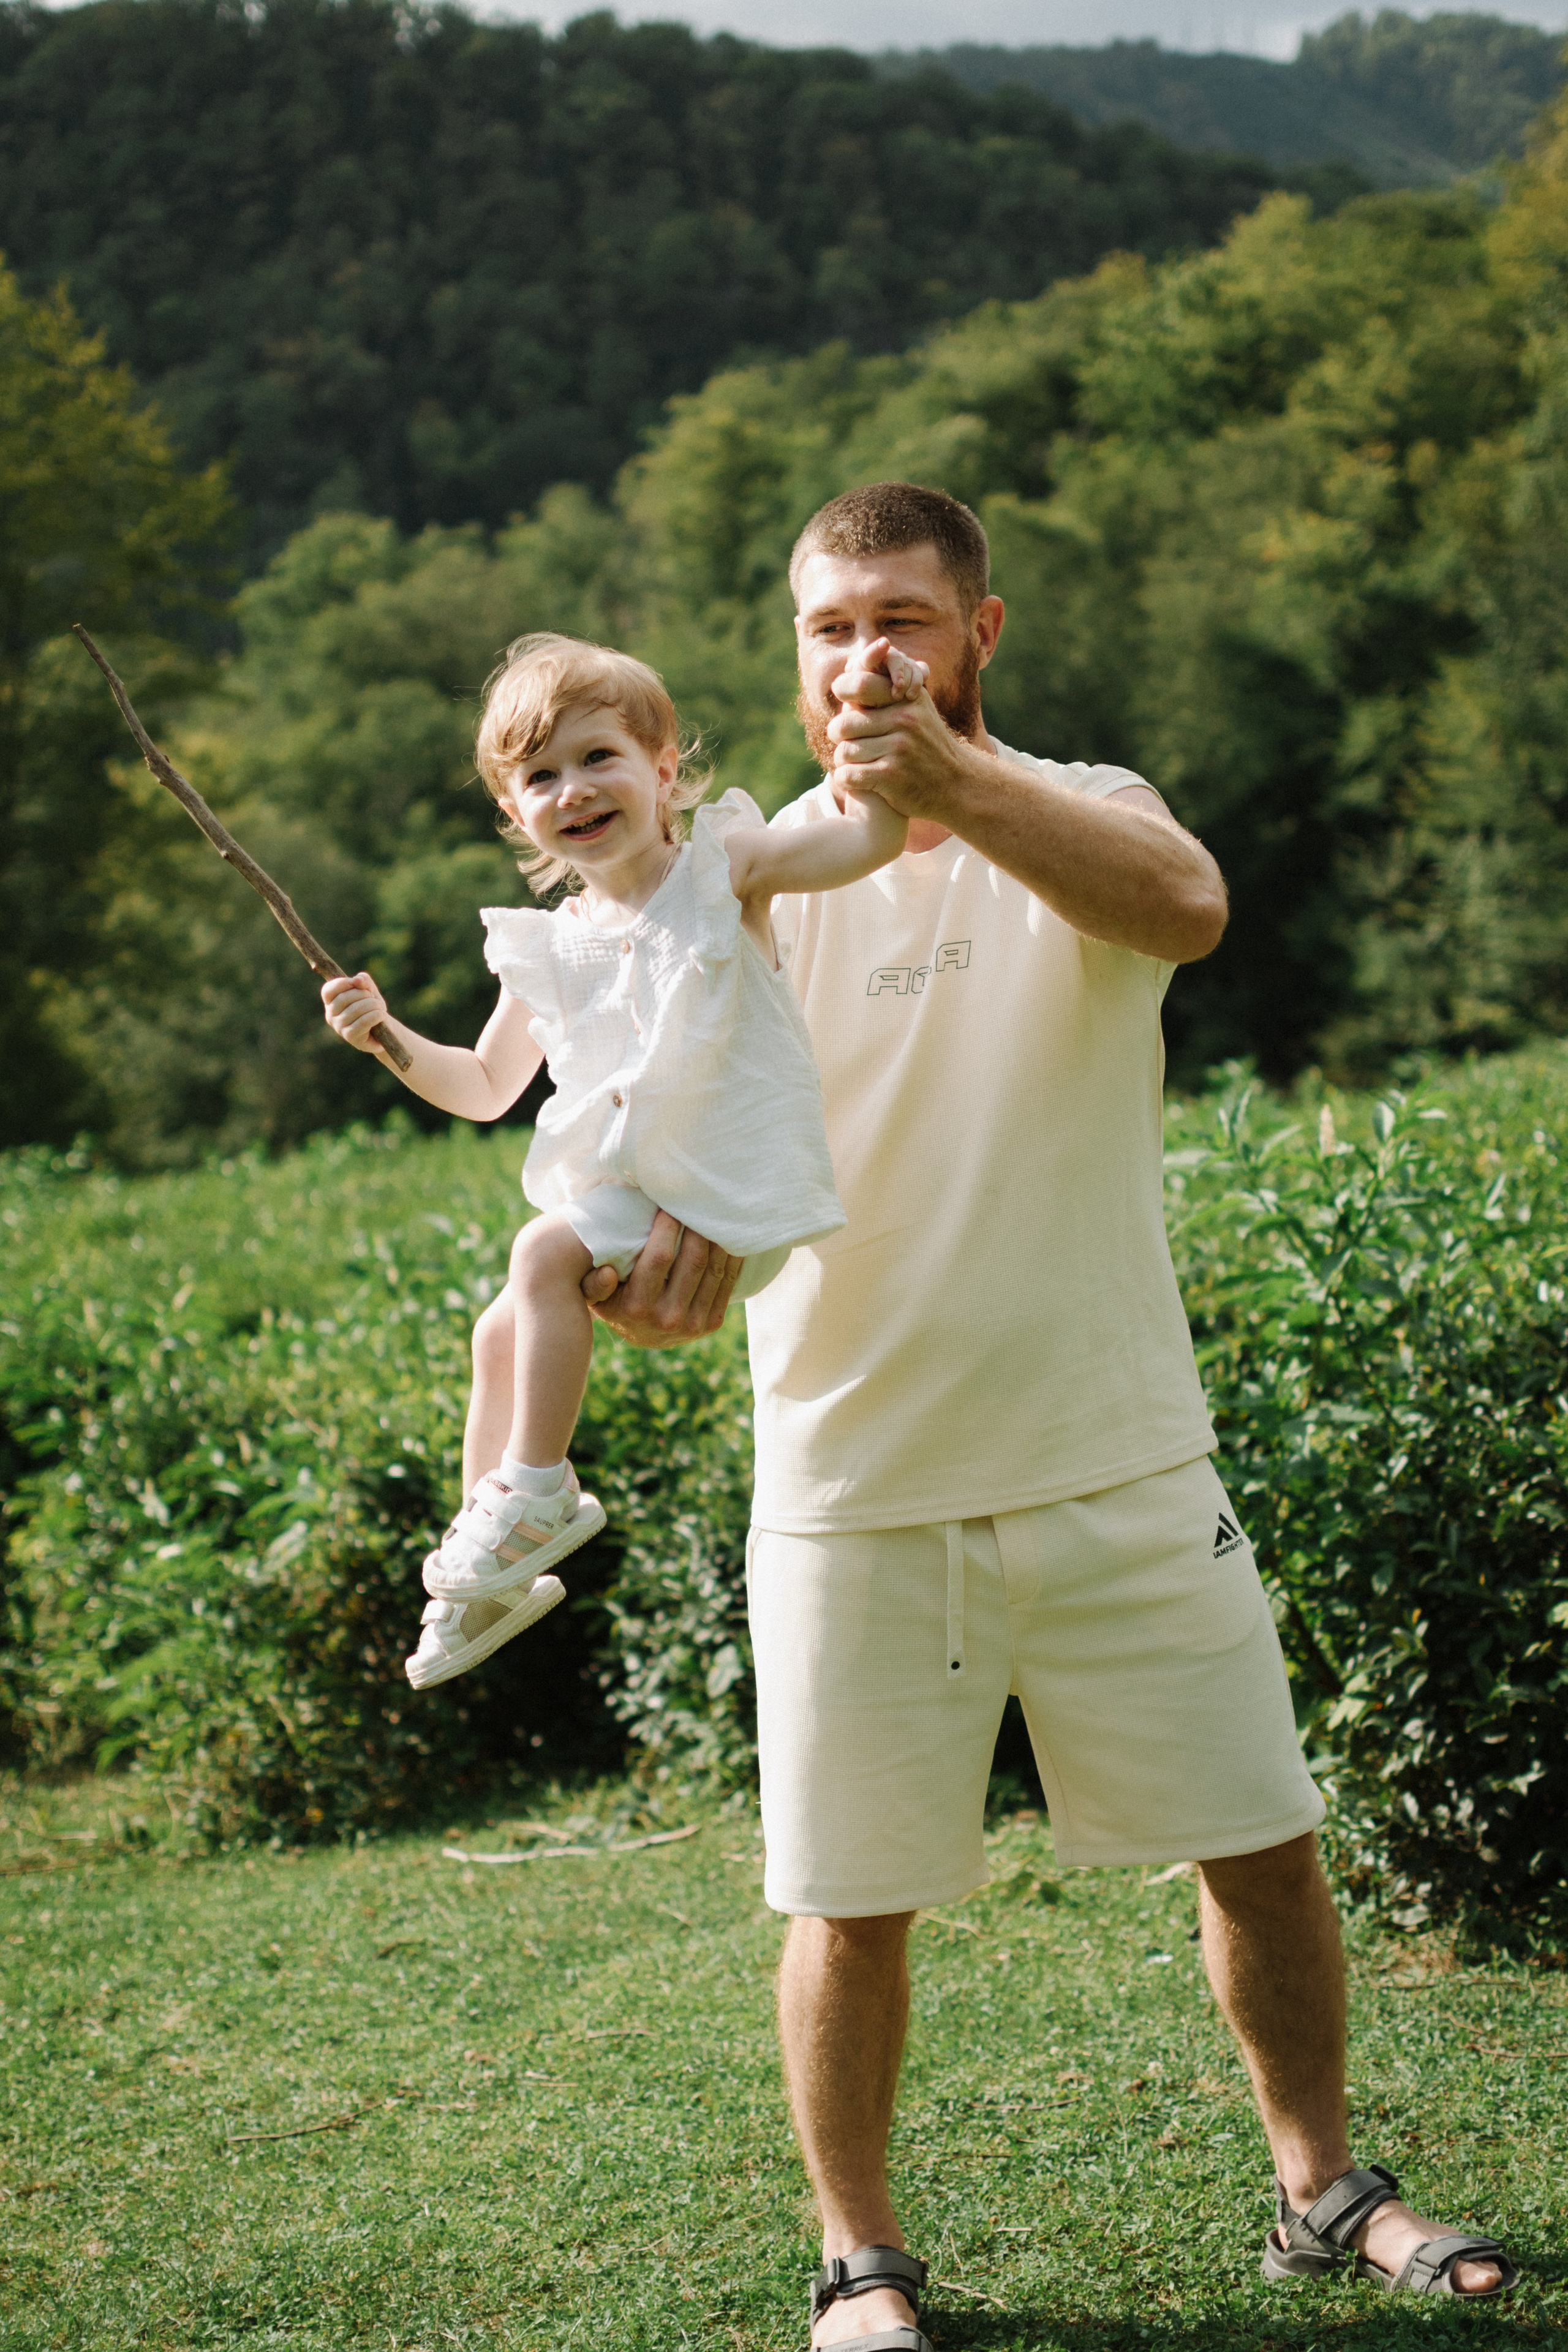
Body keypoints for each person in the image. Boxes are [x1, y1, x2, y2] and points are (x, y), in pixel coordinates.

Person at [575, 483, 1518, 2338]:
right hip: (856, 1469)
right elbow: (694, 1139)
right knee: (846, 1904)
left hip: (1121, 1448)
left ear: (977, 633)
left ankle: (1320, 2191)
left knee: (1261, 1839)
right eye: (832, 627)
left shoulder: (1097, 813)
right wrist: (664, 1273)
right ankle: (862, 2262)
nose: (867, 657)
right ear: (793, 650)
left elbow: (1188, 910)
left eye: (904, 620)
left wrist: (944, 780)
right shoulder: (742, 880)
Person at [321, 630, 914, 1691]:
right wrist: (386, 1037)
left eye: (599, 758)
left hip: (726, 1193)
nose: (574, 790)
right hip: (638, 1199)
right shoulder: (553, 942)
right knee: (498, 1326)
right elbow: (483, 1085)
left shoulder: (723, 872)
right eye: (540, 778)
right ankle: (489, 1562)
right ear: (516, 816)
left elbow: (866, 842)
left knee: (541, 1253)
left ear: (665, 770)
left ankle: (541, 1492)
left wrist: (876, 741)